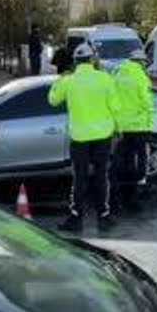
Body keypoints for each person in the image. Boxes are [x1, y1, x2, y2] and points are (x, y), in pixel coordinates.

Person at [48, 44, 121, 232]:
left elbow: (53, 100)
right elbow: (115, 107)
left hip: (79, 137)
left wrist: (59, 80)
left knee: (79, 178)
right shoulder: (105, 79)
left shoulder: (69, 81)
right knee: (101, 176)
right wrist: (118, 128)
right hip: (103, 136)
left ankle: (76, 219)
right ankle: (103, 217)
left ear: (75, 61)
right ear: (92, 59)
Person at [114, 49, 154, 207]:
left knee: (126, 153)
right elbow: (146, 100)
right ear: (140, 61)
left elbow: (113, 96)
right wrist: (151, 116)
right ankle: (141, 180)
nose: (144, 64)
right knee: (142, 153)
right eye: (144, 62)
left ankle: (124, 178)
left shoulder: (118, 73)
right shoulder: (140, 76)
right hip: (139, 123)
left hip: (123, 123)